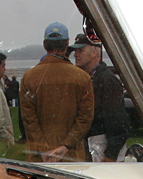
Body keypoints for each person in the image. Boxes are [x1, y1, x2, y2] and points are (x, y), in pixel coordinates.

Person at [20, 22, 94, 163]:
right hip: (71, 158)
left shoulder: (29, 78)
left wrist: (44, 149)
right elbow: (85, 118)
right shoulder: (82, 78)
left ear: (44, 44)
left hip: (39, 159)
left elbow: (29, 120)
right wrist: (65, 146)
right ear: (67, 44)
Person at [71, 33, 129, 162]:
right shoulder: (88, 78)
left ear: (93, 53)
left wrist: (111, 154)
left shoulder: (107, 80)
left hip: (103, 146)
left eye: (80, 50)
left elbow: (117, 119)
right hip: (91, 145)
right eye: (75, 51)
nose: (75, 54)